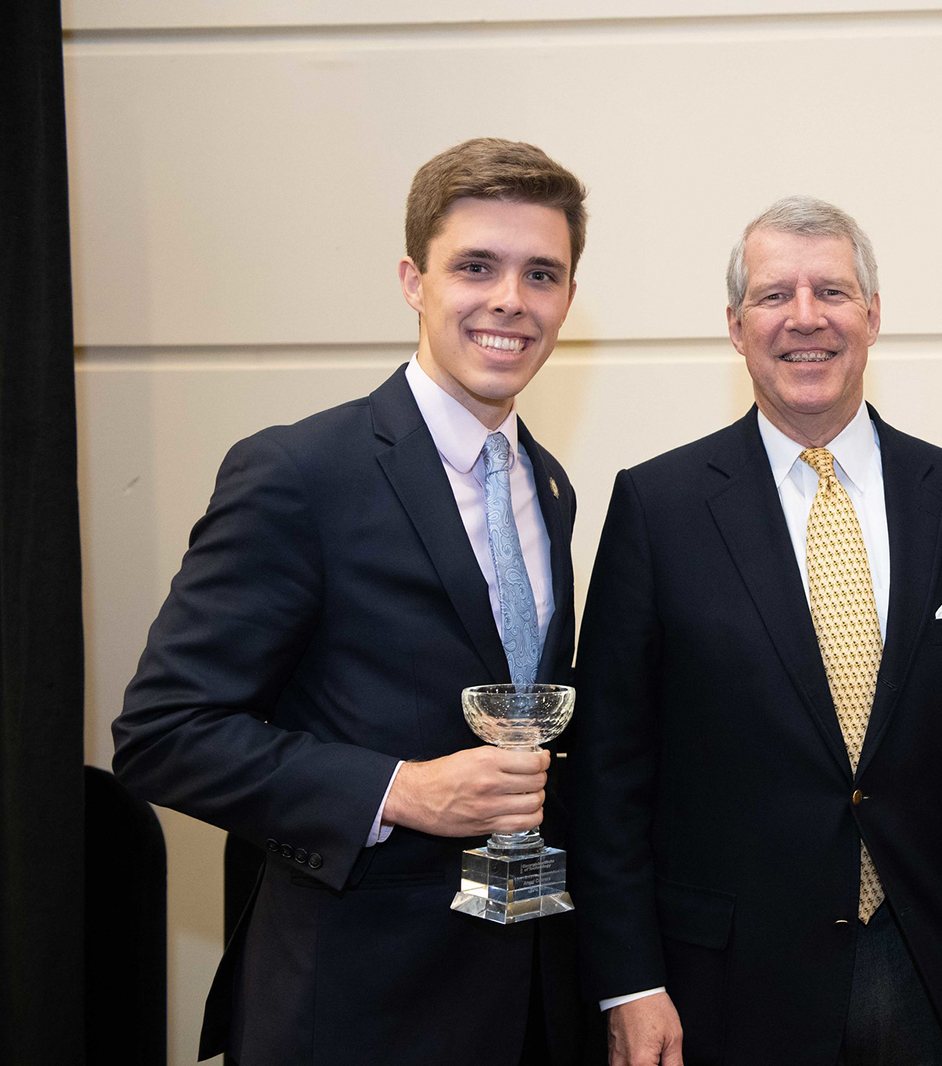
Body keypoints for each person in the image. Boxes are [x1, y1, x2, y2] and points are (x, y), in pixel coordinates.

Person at [113, 137, 595, 1065]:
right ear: (414, 280)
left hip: (525, 1003)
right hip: (353, 1009)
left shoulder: (550, 485)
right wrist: (401, 790)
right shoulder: (301, 473)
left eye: (542, 273)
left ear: (568, 298)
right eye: (475, 267)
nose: (510, 300)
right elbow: (164, 734)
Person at [569, 196, 942, 1065]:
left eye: (831, 290)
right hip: (728, 986)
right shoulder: (658, 508)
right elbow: (609, 773)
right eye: (773, 295)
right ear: (734, 324)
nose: (804, 318)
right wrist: (629, 983)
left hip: (940, 972)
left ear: (872, 315)